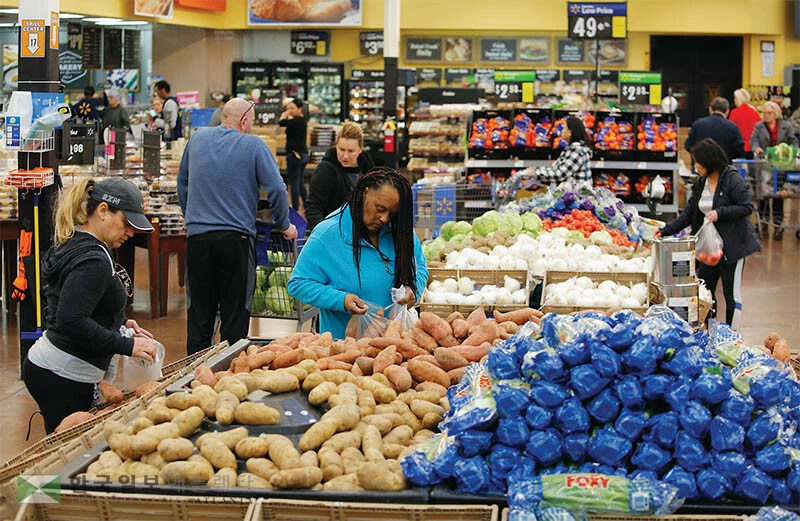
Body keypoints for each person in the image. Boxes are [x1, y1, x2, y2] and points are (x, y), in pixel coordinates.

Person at [22, 177, 157, 433]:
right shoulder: (92, 260)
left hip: (59, 368)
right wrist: (128, 345)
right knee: (61, 456)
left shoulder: (81, 241)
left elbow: (79, 302)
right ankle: (30, 477)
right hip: (63, 375)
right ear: (104, 211)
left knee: (63, 449)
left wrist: (117, 321)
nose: (130, 232)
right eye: (126, 223)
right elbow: (71, 320)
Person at [178, 98, 297, 355]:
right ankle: (228, 377)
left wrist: (193, 217)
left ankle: (193, 379)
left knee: (199, 314)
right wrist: (283, 223)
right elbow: (276, 188)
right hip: (236, 241)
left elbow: (183, 184)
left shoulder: (196, 140)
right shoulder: (253, 144)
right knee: (234, 316)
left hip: (197, 240)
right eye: (251, 123)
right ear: (244, 121)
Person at [288, 168, 428, 339]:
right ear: (365, 193)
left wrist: (413, 288)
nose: (384, 218)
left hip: (395, 345)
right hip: (344, 349)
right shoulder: (328, 234)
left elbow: (419, 265)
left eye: (392, 213)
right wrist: (342, 300)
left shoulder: (400, 232)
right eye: (380, 208)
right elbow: (298, 283)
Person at [657, 138, 760, 330]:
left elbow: (746, 207)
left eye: (698, 162)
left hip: (732, 248)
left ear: (709, 162)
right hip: (707, 249)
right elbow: (689, 213)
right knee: (706, 292)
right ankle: (710, 330)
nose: (695, 166)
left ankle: (731, 334)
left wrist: (720, 213)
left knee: (731, 294)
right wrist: (664, 230)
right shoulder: (700, 183)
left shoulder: (732, 179)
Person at [305, 121, 374, 231]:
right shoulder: (325, 170)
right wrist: (325, 233)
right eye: (341, 150)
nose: (345, 156)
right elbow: (313, 208)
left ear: (360, 149)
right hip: (333, 231)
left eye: (351, 151)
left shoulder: (368, 168)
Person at [750, 101, 799, 240]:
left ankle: (778, 222)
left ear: (776, 113)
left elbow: (793, 141)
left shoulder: (786, 126)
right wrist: (756, 148)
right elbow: (753, 141)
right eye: (764, 113)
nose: (766, 115)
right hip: (764, 164)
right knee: (763, 193)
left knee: (778, 194)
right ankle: (763, 220)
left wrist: (793, 150)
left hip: (781, 165)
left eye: (769, 113)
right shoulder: (759, 126)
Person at [684, 97, 745, 163]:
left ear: (710, 109)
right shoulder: (733, 127)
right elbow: (739, 150)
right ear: (727, 111)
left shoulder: (698, 124)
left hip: (701, 166)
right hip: (724, 167)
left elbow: (688, 145)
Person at [535, 116, 593, 184]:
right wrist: (537, 170)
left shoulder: (577, 150)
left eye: (564, 128)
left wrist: (536, 173)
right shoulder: (572, 148)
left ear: (570, 132)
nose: (562, 131)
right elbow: (556, 168)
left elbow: (561, 174)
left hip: (578, 193)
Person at [279, 98, 309, 211]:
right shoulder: (302, 121)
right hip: (303, 154)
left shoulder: (296, 121)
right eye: (288, 108)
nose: (290, 110)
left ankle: (295, 207)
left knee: (294, 182)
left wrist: (284, 115)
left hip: (295, 155)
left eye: (292, 108)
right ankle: (306, 203)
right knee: (300, 180)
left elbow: (281, 122)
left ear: (300, 108)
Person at [728, 88, 762, 159]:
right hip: (752, 147)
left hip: (739, 146)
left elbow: (730, 130)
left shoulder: (734, 112)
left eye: (735, 98)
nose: (734, 101)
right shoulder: (754, 112)